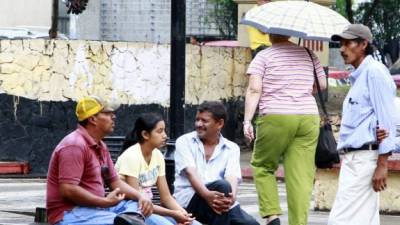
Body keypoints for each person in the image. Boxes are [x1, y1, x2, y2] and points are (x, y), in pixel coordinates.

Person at [244, 33, 327, 225]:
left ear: (269, 33)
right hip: (308, 118)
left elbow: (254, 89)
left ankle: (272, 214)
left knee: (262, 165)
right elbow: (322, 84)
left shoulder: (264, 56)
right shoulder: (309, 53)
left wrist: (247, 120)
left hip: (276, 116)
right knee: (300, 175)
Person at [328, 24, 397, 225]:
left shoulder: (374, 73)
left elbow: (387, 119)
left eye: (348, 43)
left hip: (364, 160)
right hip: (355, 159)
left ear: (363, 44)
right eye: (340, 44)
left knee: (340, 221)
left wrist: (382, 164)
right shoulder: (359, 76)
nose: (342, 49)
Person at [46, 96, 153, 225]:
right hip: (70, 213)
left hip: (98, 209)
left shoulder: (101, 146)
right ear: (93, 119)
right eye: (108, 113)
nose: (113, 117)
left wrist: (140, 196)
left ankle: (131, 218)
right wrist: (104, 202)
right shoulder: (74, 145)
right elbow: (68, 189)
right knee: (135, 220)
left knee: (143, 210)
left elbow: (115, 182)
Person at [173, 101, 259, 225]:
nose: (198, 124)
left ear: (220, 123)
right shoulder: (184, 141)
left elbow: (232, 177)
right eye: (197, 119)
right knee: (222, 186)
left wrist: (231, 198)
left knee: (251, 224)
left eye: (204, 121)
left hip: (220, 200)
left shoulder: (232, 148)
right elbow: (190, 172)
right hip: (191, 201)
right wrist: (207, 195)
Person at [115, 113, 201, 225]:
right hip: (130, 211)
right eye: (160, 131)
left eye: (164, 130)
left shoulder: (158, 155)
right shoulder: (132, 156)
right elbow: (137, 201)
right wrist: (174, 214)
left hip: (148, 209)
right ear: (145, 134)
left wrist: (183, 214)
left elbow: (166, 198)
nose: (165, 135)